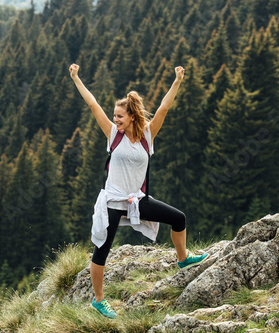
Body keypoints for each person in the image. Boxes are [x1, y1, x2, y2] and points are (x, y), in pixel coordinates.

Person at [68, 63, 209, 319]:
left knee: (179, 219)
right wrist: (76, 78)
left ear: (132, 116)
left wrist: (177, 81)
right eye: (114, 115)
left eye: (120, 116)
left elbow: (164, 108)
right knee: (102, 249)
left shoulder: (147, 135)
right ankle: (99, 300)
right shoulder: (113, 135)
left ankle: (183, 258)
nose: (115, 119)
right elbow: (92, 104)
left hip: (136, 199)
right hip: (113, 201)